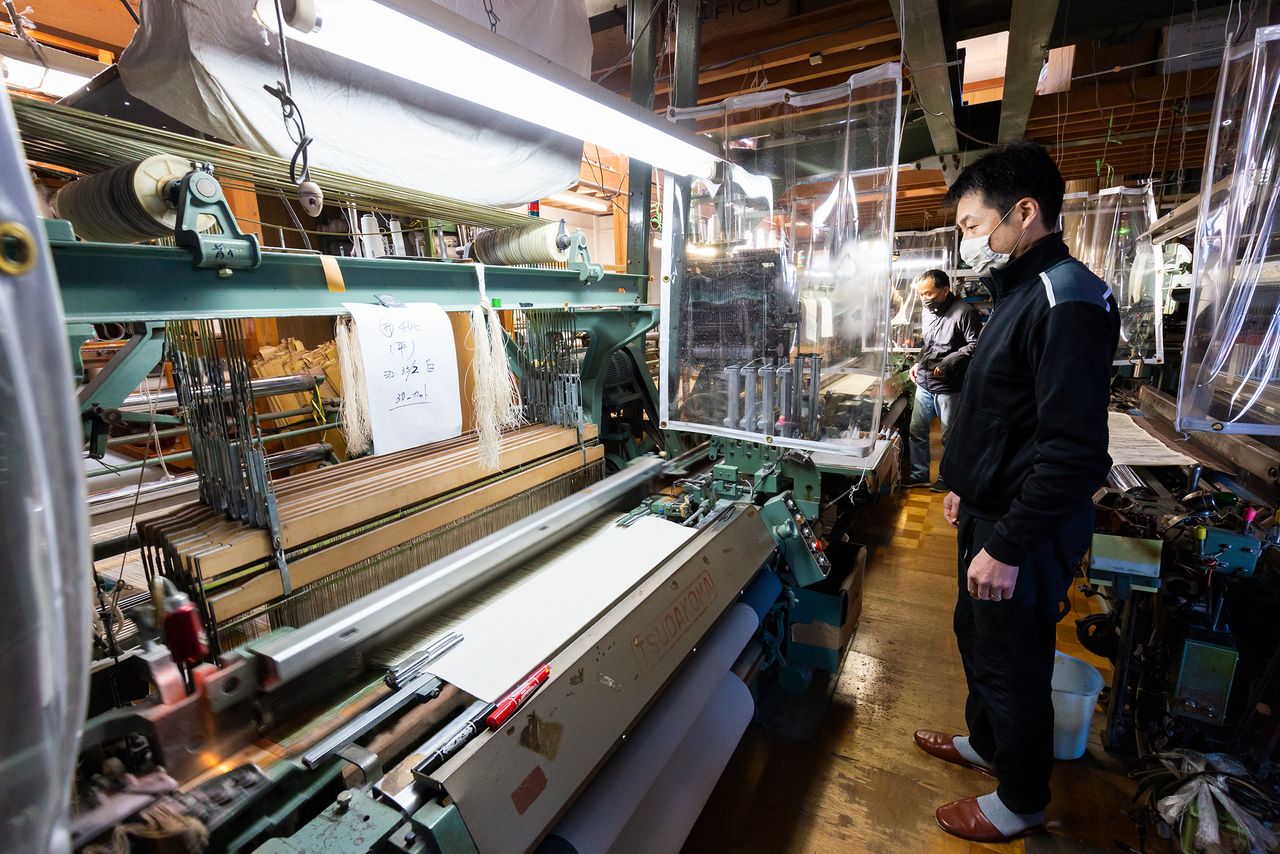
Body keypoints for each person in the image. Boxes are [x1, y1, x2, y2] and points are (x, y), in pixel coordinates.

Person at [912, 142, 1120, 843]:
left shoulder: (1067, 298)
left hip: (1021, 529)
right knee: (976, 636)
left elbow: (1073, 452)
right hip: (989, 510)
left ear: (1024, 212)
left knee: (1014, 659)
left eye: (973, 225)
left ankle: (1021, 800)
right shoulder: (1019, 292)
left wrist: (1008, 544)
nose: (967, 241)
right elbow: (1002, 409)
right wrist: (962, 486)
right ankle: (988, 745)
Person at [904, 269, 981, 491]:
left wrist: (948, 362)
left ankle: (947, 478)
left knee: (949, 436)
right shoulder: (928, 313)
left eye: (929, 294)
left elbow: (976, 345)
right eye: (921, 294)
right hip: (925, 383)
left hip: (949, 386)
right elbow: (928, 345)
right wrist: (917, 363)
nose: (924, 299)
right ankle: (919, 474)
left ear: (945, 290)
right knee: (917, 430)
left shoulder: (964, 312)